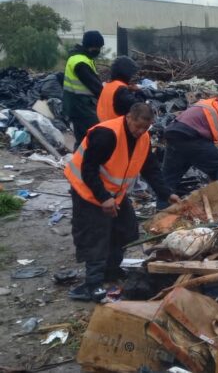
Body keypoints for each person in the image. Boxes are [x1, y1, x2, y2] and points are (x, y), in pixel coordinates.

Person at [64, 103, 179, 301]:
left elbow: (150, 169)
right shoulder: (106, 134)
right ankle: (92, 285)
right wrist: (103, 198)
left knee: (126, 230)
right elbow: (88, 169)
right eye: (137, 126)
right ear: (128, 118)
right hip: (88, 190)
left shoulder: (143, 138)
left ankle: (112, 270)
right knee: (96, 236)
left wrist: (167, 193)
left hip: (113, 193)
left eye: (146, 128)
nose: (140, 131)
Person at [159, 97, 218, 209]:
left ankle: (161, 211)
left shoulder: (206, 103)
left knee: (169, 177)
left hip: (173, 133)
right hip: (191, 135)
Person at [63, 30, 105, 149]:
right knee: (92, 137)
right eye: (98, 47)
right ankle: (81, 165)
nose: (99, 50)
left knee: (83, 139)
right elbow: (96, 87)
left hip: (77, 106)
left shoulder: (80, 58)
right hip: (81, 107)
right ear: (92, 46)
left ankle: (78, 164)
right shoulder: (80, 62)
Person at [96, 56, 143, 122]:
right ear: (126, 72)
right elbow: (139, 108)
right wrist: (139, 92)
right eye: (132, 74)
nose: (133, 77)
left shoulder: (108, 86)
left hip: (103, 125)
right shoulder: (121, 90)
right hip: (117, 129)